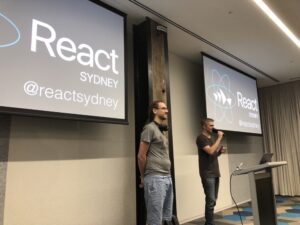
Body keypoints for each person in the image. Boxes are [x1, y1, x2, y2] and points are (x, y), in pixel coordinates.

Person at [138, 100, 173, 225]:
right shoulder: (149, 128)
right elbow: (141, 156)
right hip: (155, 178)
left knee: (165, 217)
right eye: (163, 108)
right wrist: (143, 177)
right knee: (154, 219)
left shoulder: (161, 131)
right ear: (154, 110)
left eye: (166, 108)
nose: (166, 110)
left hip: (167, 177)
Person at [196, 118, 225, 225]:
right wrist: (219, 138)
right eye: (211, 126)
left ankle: (209, 222)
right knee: (210, 200)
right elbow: (210, 150)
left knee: (213, 199)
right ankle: (209, 223)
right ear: (204, 126)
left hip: (215, 172)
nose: (213, 127)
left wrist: (220, 152)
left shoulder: (211, 138)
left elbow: (213, 154)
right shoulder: (201, 138)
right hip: (207, 173)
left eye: (213, 125)